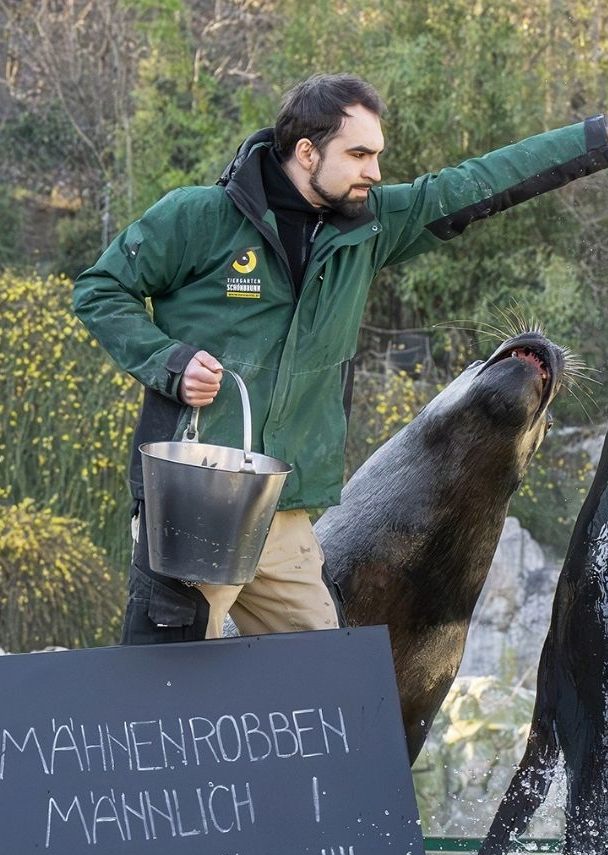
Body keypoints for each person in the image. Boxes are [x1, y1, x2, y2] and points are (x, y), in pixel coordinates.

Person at [73, 73, 608, 645]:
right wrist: (169, 363)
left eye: (376, 155)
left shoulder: (371, 228)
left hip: (285, 510)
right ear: (306, 152)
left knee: (326, 683)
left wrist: (597, 138)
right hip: (193, 504)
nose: (374, 172)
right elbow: (100, 289)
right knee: (167, 689)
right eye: (358, 154)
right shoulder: (198, 218)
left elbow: (478, 181)